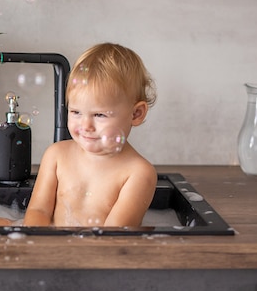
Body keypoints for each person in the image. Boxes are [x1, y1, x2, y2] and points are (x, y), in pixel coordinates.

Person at [22, 42, 157, 227]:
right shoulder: (56, 155)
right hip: (52, 244)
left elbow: (113, 236)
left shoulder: (138, 173)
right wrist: (37, 243)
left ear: (136, 114)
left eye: (99, 115)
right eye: (76, 112)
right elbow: (38, 211)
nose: (86, 125)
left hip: (99, 252)